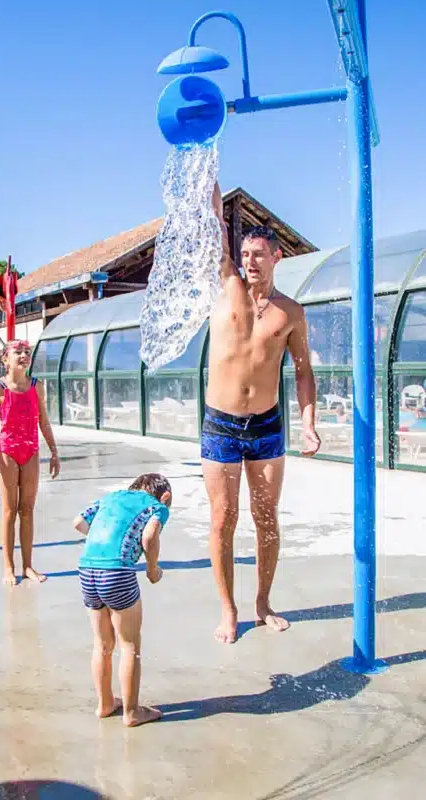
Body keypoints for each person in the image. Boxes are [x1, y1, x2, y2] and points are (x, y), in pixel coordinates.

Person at [201, 183, 321, 644]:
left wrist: (308, 422)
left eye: (258, 254)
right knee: (222, 517)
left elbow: (304, 372)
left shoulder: (290, 313)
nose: (249, 260)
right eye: (245, 253)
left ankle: (263, 602)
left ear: (276, 258)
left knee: (266, 517)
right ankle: (228, 610)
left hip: (267, 425)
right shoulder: (228, 285)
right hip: (221, 424)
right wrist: (211, 195)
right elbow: (216, 234)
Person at [73, 473, 172, 728]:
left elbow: (79, 523)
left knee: (102, 644)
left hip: (87, 569)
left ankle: (105, 704)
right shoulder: (157, 506)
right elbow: (150, 537)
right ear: (165, 496)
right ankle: (132, 712)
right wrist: (152, 569)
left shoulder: (110, 497)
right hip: (117, 572)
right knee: (129, 645)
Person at [0, 340, 60, 585]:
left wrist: (54, 452)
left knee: (27, 510)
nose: (24, 356)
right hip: (7, 452)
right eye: (18, 352)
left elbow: (43, 421)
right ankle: (8, 567)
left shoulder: (37, 386)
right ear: (5, 359)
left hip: (31, 451)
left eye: (27, 352)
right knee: (9, 511)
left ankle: (28, 566)